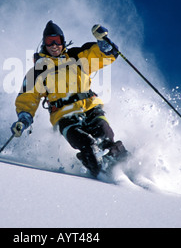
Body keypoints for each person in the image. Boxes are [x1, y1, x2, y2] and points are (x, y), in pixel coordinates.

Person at [10, 20, 128, 177]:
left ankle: (129, 169)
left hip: (90, 108)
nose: (53, 45)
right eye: (49, 41)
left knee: (106, 137)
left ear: (62, 41)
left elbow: (102, 56)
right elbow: (27, 98)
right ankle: (100, 178)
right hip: (64, 116)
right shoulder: (38, 71)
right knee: (87, 144)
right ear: (44, 44)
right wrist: (23, 119)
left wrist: (103, 44)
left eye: (57, 41)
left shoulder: (77, 56)